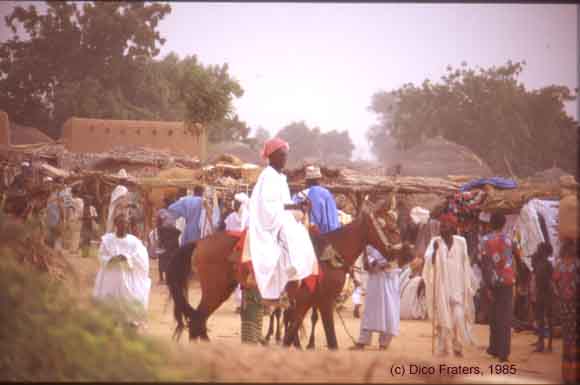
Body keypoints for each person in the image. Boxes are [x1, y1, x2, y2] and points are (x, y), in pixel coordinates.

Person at [246, 137, 317, 306]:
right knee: (290, 236)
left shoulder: (280, 177)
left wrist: (298, 206)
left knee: (301, 231)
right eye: (282, 155)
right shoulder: (268, 176)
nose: (285, 158)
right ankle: (278, 288)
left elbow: (283, 203)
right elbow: (268, 206)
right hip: (267, 221)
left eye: (286, 155)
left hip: (280, 215)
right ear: (272, 156)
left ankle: (293, 278)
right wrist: (294, 207)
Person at [422, 212, 478, 357]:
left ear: (452, 228)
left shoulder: (461, 242)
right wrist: (434, 252)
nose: (442, 230)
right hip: (442, 287)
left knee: (458, 316)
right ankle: (442, 348)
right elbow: (429, 262)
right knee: (442, 318)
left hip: (458, 286)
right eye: (441, 227)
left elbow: (466, 263)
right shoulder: (435, 242)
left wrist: (467, 284)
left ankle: (457, 345)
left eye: (445, 227)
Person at [93, 212, 151, 327]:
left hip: (128, 275)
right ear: (116, 224)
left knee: (128, 297)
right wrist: (111, 259)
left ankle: (129, 320)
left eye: (125, 223)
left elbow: (142, 258)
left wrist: (127, 258)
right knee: (110, 298)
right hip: (111, 276)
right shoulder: (107, 240)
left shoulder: (134, 241)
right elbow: (100, 256)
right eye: (121, 223)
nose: (124, 225)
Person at [350, 240, 401, 351]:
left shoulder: (394, 240)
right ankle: (362, 342)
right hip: (375, 281)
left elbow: (397, 260)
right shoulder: (370, 245)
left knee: (389, 311)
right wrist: (373, 263)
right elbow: (367, 263)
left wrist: (387, 264)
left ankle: (384, 343)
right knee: (369, 312)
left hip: (390, 281)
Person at [480, 212, 515, 362]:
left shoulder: (485, 240)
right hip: (507, 280)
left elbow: (484, 263)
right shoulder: (510, 240)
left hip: (493, 282)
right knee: (505, 317)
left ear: (491, 224)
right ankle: (503, 352)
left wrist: (487, 284)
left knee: (494, 315)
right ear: (503, 224)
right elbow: (516, 258)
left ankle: (494, 348)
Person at [552, 240, 579, 385]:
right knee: (573, 339)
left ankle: (567, 376)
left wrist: (560, 295)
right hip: (573, 306)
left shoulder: (559, 266)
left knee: (567, 340)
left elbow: (555, 284)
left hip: (565, 306)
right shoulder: (577, 266)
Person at [292, 165, 340, 234]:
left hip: (302, 236)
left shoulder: (298, 195)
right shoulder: (325, 194)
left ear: (307, 180)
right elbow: (332, 221)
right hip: (322, 237)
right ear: (318, 179)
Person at [148, 209, 181, 284]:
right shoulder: (169, 215)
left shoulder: (161, 225)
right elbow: (176, 231)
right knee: (168, 260)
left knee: (163, 260)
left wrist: (160, 245)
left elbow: (160, 235)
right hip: (172, 243)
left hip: (166, 243)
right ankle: (168, 278)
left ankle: (163, 278)